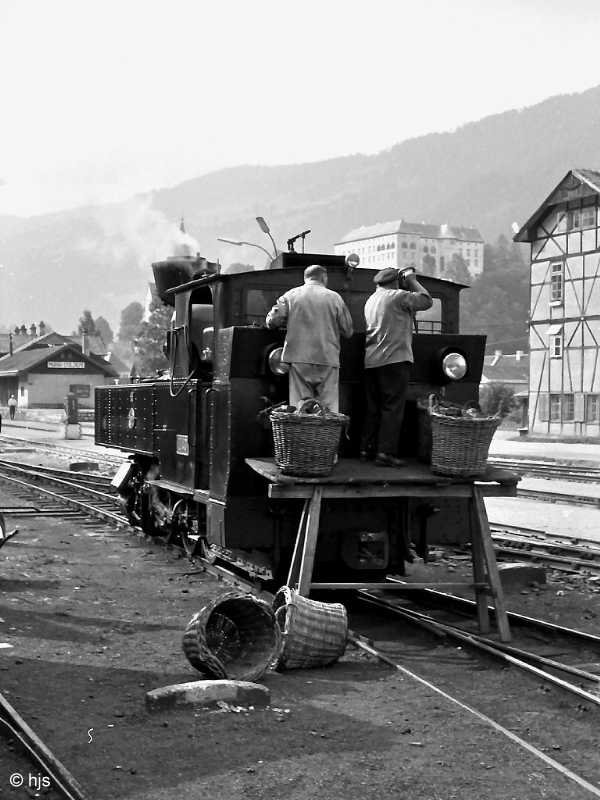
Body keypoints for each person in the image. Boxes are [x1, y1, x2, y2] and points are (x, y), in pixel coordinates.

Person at [361, 267, 432, 468]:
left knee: (374, 408)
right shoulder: (398, 296)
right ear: (396, 281)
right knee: (392, 407)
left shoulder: (371, 300)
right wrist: (412, 280)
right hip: (394, 360)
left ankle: (367, 449)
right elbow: (426, 301)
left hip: (371, 360)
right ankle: (386, 453)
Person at [266, 265, 353, 412]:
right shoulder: (335, 298)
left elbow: (272, 321)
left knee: (300, 407)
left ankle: (302, 426)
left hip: (299, 359)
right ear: (324, 278)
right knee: (328, 409)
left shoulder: (291, 296)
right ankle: (326, 427)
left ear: (305, 278)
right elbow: (348, 330)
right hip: (327, 358)